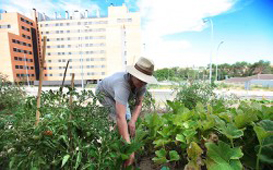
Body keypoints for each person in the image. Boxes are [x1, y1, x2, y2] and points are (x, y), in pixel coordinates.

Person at [95, 57, 157, 167]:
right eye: (139, 78)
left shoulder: (142, 85)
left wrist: (132, 121)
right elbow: (120, 117)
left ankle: (122, 144)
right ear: (133, 74)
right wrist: (129, 150)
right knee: (117, 120)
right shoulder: (122, 85)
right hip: (104, 93)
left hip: (118, 93)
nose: (142, 82)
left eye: (144, 80)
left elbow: (138, 104)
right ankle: (110, 147)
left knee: (128, 121)